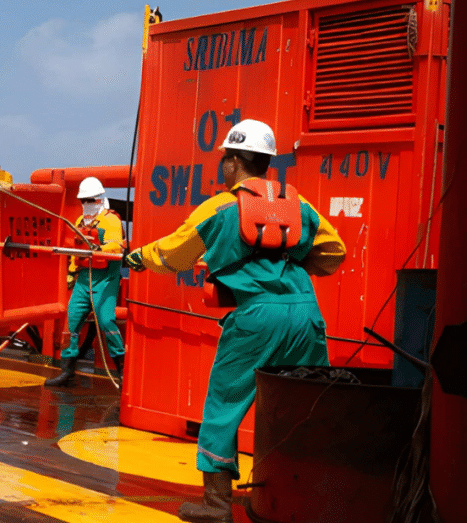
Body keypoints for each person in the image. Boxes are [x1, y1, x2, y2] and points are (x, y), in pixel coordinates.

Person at [123, 119, 346, 523]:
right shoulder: (300, 206)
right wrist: (286, 261)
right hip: (306, 311)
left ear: (233, 161)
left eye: (224, 158)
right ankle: (307, 496)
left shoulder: (220, 207)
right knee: (306, 402)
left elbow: (174, 254)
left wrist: (137, 257)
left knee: (225, 404)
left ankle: (216, 505)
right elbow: (334, 253)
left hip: (256, 317)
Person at [45, 176, 126, 387]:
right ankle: (67, 371)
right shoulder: (80, 222)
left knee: (106, 320)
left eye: (90, 200)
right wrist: (72, 271)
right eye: (84, 200)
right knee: (71, 320)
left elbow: (116, 246)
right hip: (84, 278)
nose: (87, 204)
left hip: (105, 279)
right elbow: (76, 249)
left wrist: (99, 249)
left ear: (99, 199)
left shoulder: (111, 221)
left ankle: (122, 371)